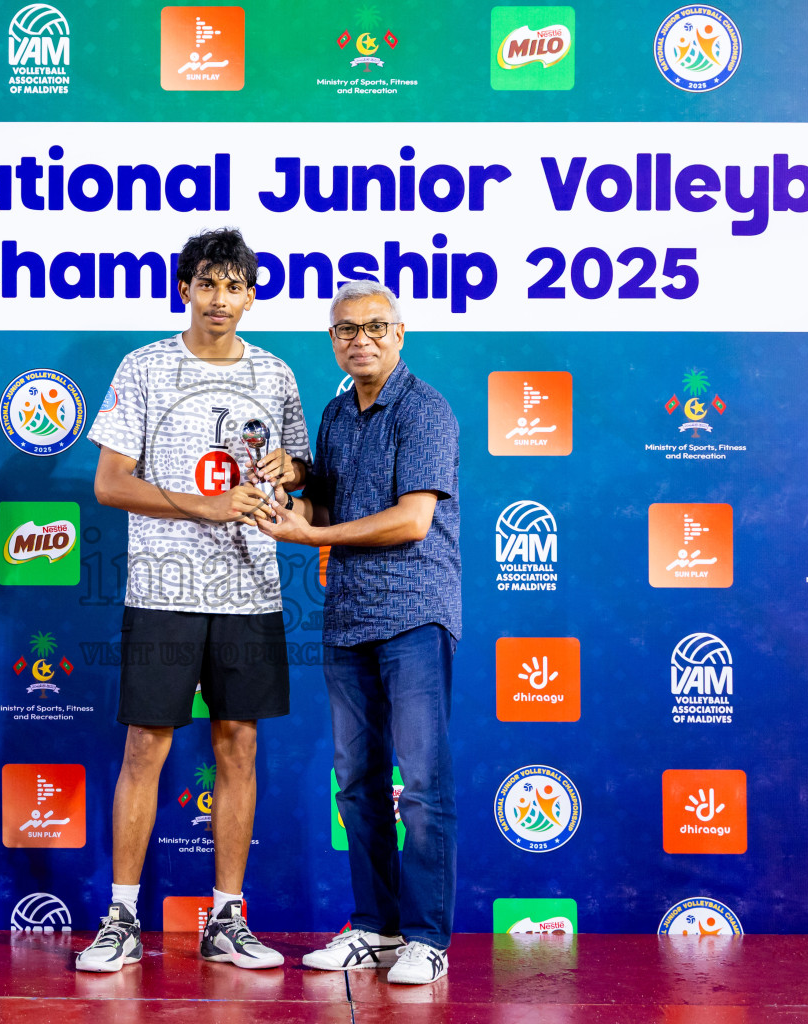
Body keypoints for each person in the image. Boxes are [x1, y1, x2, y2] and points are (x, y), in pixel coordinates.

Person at [75, 228, 310, 973]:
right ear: (185, 289)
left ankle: (227, 919)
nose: (220, 299)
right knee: (146, 745)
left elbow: (300, 472)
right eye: (206, 284)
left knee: (238, 744)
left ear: (251, 294)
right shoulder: (144, 368)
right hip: (163, 586)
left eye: (234, 285)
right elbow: (110, 483)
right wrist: (196, 506)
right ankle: (120, 917)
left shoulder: (275, 375)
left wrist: (292, 469)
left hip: (251, 590)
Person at [257, 280, 460, 985]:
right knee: (357, 786)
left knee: (424, 788)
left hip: (414, 616)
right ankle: (375, 929)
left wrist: (313, 530)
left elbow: (410, 520)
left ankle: (427, 939)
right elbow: (327, 497)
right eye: (345, 329)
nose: (360, 338)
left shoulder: (426, 409)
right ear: (333, 341)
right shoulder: (337, 411)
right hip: (347, 618)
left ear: (400, 335)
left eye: (376, 326)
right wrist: (294, 477)